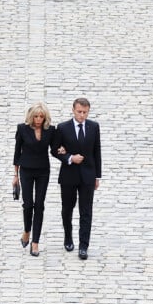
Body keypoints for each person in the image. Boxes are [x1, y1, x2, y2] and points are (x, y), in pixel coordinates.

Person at [52, 97, 102, 260]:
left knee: (86, 211)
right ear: (73, 110)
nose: (82, 115)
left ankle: (83, 246)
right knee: (67, 208)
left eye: (85, 112)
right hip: (69, 175)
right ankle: (68, 236)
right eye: (79, 112)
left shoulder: (94, 127)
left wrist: (97, 176)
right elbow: (54, 150)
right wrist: (69, 158)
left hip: (88, 175)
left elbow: (97, 152)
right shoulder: (63, 128)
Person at [12, 103, 56, 256]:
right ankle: (26, 230)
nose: (38, 119)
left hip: (43, 170)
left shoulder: (50, 130)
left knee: (39, 205)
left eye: (41, 116)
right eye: (36, 116)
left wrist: (62, 150)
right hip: (26, 170)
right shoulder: (22, 129)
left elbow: (55, 148)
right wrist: (15, 175)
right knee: (28, 204)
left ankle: (35, 241)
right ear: (31, 117)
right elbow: (17, 152)